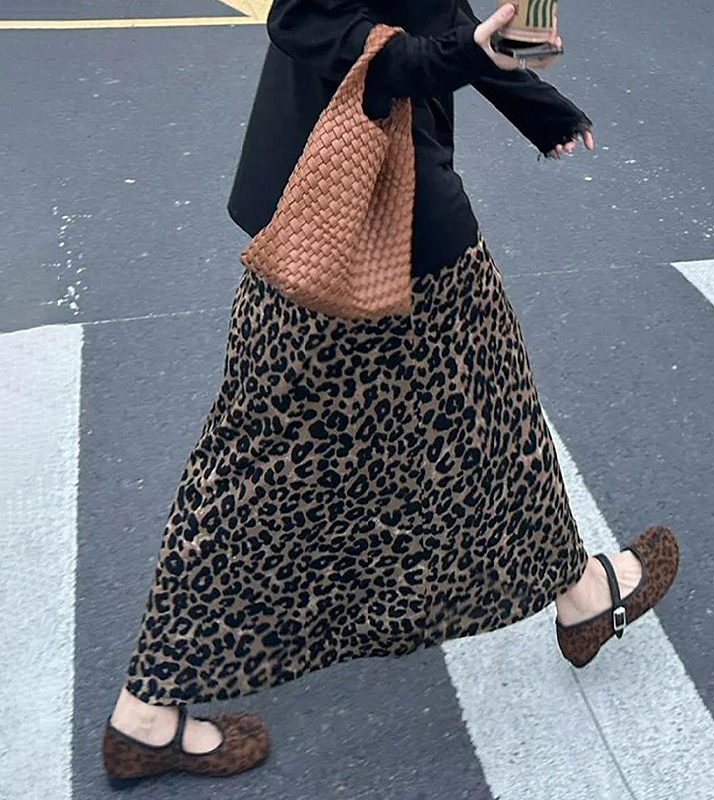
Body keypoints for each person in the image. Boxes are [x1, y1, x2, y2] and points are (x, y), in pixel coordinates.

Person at [101, 0, 679, 784]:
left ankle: (579, 595)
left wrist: (531, 99)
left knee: (436, 425)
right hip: (352, 204)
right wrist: (471, 55)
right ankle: (144, 713)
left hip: (355, 197)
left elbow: (434, 14)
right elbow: (311, 25)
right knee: (294, 460)